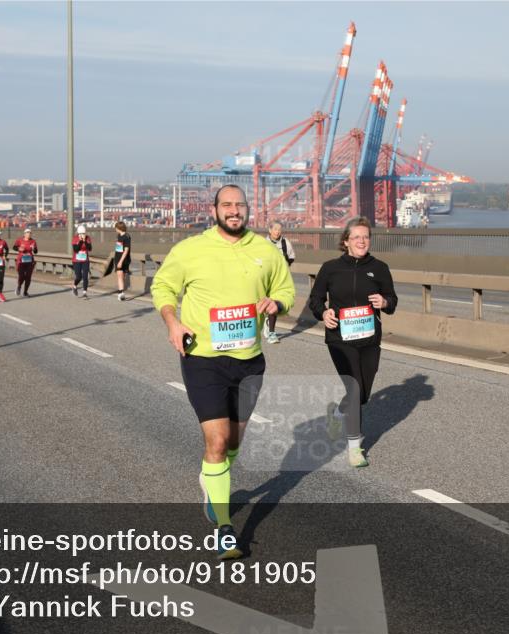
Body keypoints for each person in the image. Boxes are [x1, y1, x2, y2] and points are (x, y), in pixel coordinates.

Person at [151, 185, 295, 559]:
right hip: (203, 358)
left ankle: (211, 480)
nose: (234, 211)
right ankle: (225, 527)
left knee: (232, 444)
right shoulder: (190, 250)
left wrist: (276, 302)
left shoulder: (265, 250)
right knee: (215, 442)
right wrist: (172, 322)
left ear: (248, 210)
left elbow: (286, 290)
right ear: (214, 209)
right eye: (227, 205)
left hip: (248, 360)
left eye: (240, 205)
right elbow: (163, 287)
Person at [308, 217, 397, 468]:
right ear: (345, 241)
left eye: (365, 237)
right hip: (340, 339)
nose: (361, 241)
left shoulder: (380, 268)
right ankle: (354, 447)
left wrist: (385, 302)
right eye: (356, 237)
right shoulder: (330, 268)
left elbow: (392, 300)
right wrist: (323, 313)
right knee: (355, 388)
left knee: (363, 394)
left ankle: (338, 413)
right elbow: (315, 300)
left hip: (369, 339)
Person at [264, 222, 295, 344]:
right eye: (275, 229)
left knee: (275, 303)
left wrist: (285, 269)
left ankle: (272, 333)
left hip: (280, 280)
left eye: (279, 229)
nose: (277, 232)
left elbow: (291, 257)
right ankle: (266, 321)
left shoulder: (285, 243)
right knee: (264, 303)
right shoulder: (263, 244)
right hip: (266, 277)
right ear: (270, 230)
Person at [12, 227, 38, 297]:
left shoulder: (33, 241)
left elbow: (36, 252)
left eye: (30, 233)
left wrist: (34, 249)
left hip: (29, 260)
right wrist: (19, 248)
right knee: (22, 276)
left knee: (28, 277)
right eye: (27, 233)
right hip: (21, 260)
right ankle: (19, 286)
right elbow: (14, 247)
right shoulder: (19, 240)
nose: (29, 234)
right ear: (24, 234)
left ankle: (25, 292)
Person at [71, 224, 92, 298]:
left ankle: (85, 292)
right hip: (76, 260)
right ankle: (74, 286)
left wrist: (85, 241)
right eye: (80, 233)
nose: (82, 235)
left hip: (85, 260)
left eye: (83, 233)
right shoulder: (75, 238)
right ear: (78, 233)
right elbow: (76, 249)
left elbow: (89, 249)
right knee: (79, 277)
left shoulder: (87, 238)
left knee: (85, 276)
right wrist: (80, 241)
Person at [114, 221, 131, 300]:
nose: (115, 229)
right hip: (117, 257)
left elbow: (126, 250)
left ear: (119, 228)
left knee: (120, 276)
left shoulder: (126, 237)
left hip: (123, 258)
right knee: (120, 276)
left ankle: (121, 292)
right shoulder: (118, 236)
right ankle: (121, 292)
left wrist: (120, 261)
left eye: (116, 228)